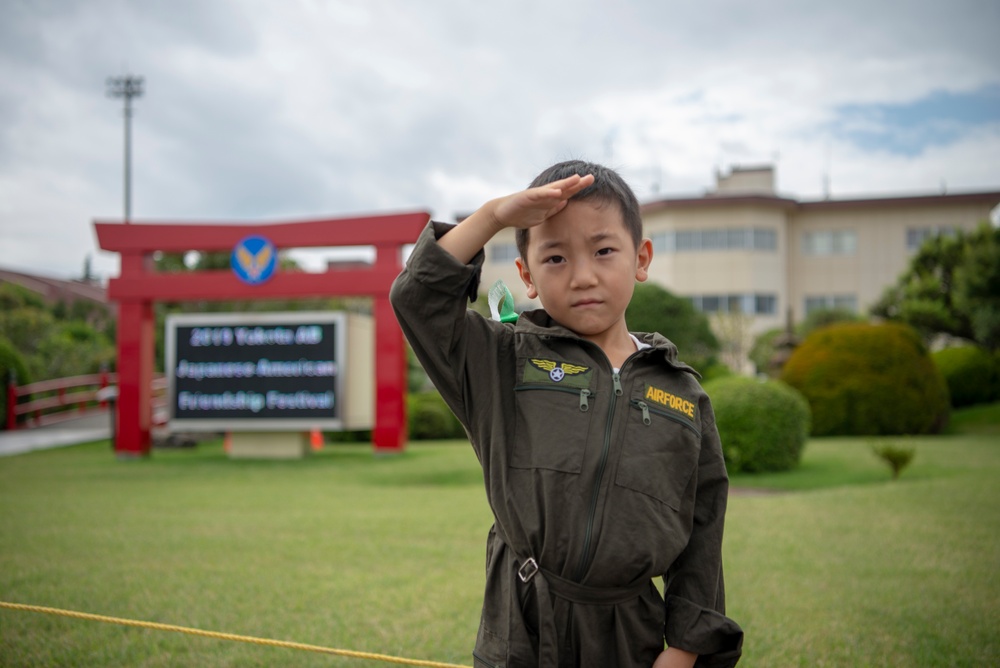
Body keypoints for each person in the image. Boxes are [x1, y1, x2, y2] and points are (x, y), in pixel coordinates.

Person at [389, 160, 743, 667]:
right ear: (526, 276)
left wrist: (685, 648)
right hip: (522, 626)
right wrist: (493, 216)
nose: (582, 276)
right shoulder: (501, 361)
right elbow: (417, 297)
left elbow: (704, 529)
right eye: (555, 258)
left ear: (640, 258)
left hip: (630, 636)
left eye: (603, 251)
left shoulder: (683, 393)